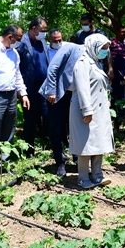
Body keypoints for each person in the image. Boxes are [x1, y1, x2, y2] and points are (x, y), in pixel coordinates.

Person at [0, 24, 30, 182]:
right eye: (19, 39)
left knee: (9, 132)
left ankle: (4, 165)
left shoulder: (14, 53)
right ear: (10, 37)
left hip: (11, 97)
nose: (20, 42)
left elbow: (17, 75)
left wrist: (23, 93)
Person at [70, 35, 114, 189]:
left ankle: (97, 175)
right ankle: (82, 177)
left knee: (98, 142)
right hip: (85, 109)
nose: (105, 51)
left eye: (107, 48)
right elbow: (82, 89)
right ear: (93, 46)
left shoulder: (96, 62)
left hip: (99, 109)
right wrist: (87, 111)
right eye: (103, 48)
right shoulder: (83, 63)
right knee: (85, 144)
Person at [40, 40, 84, 176]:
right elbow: (52, 68)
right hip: (56, 94)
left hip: (74, 95)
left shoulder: (95, 57)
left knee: (75, 128)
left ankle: (77, 159)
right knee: (56, 129)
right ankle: (59, 162)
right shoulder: (71, 47)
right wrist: (52, 91)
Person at [17, 16, 50, 155]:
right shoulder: (21, 43)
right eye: (43, 30)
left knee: (48, 116)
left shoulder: (42, 42)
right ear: (34, 29)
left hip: (44, 88)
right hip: (29, 89)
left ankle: (50, 145)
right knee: (30, 120)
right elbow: (16, 65)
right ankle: (29, 150)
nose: (44, 33)